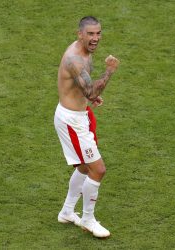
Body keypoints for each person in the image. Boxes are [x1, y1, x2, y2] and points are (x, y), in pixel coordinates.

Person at [54, 16, 119, 238]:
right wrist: (109, 71)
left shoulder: (84, 52)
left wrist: (89, 97)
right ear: (79, 34)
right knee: (97, 169)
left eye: (98, 33)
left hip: (80, 115)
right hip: (71, 120)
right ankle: (88, 220)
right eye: (90, 34)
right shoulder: (75, 59)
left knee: (84, 167)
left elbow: (84, 88)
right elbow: (91, 90)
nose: (95, 38)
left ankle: (67, 212)